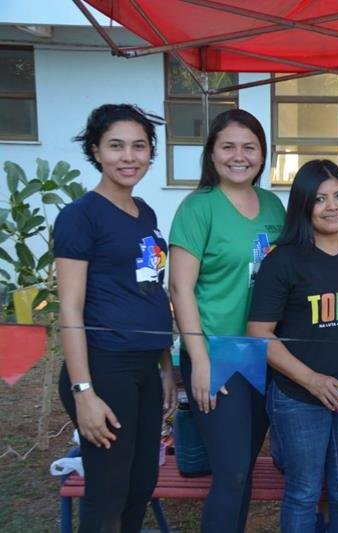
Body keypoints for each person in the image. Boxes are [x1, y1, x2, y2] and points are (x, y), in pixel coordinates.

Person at [247, 159, 338, 532]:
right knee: (304, 493)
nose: (333, 207)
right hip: (299, 399)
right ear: (303, 205)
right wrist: (312, 380)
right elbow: (259, 333)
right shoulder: (282, 260)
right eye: (320, 199)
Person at [55, 103, 176, 532]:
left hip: (144, 369)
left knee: (140, 486)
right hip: (105, 368)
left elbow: (151, 290)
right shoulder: (80, 216)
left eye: (139, 146)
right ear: (96, 151)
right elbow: (69, 309)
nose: (129, 157)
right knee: (108, 495)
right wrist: (84, 392)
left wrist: (165, 367)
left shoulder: (144, 212)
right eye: (116, 146)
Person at [169, 109, 285, 532]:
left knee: (244, 470)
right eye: (228, 146)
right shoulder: (198, 207)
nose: (240, 156)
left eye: (249, 147)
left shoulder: (273, 205)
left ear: (263, 154)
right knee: (231, 471)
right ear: (212, 153)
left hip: (263, 354)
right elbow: (179, 288)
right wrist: (200, 360)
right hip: (216, 354)